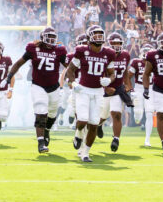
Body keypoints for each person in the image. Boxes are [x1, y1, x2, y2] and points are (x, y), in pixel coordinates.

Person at [6, 27, 68, 154]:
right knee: (40, 110)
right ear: (42, 38)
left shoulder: (59, 50)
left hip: (54, 86)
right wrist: (10, 75)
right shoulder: (33, 48)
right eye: (48, 37)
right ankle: (40, 142)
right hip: (38, 85)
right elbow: (19, 63)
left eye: (53, 37)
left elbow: (69, 67)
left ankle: (47, 131)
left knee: (52, 114)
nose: (50, 40)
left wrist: (78, 77)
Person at [64, 25, 116, 162]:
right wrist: (74, 82)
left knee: (94, 123)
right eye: (96, 35)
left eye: (100, 34)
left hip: (98, 92)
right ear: (89, 37)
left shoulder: (109, 53)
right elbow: (70, 69)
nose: (99, 37)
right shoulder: (82, 51)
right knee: (82, 121)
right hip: (83, 90)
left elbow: (112, 73)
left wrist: (108, 80)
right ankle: (78, 134)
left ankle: (86, 153)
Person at [98, 32, 132, 152]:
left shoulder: (125, 55)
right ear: (109, 43)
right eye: (114, 43)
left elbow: (125, 71)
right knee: (102, 115)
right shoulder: (104, 54)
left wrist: (128, 84)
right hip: (103, 89)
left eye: (119, 43)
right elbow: (98, 72)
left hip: (117, 89)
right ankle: (99, 125)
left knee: (116, 114)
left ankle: (116, 139)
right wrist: (105, 87)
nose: (117, 45)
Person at [126, 43, 155, 146]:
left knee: (149, 113)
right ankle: (138, 119)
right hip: (138, 88)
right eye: (145, 52)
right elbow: (128, 76)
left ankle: (147, 139)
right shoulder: (136, 62)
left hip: (150, 89)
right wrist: (131, 90)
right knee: (138, 115)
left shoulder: (155, 62)